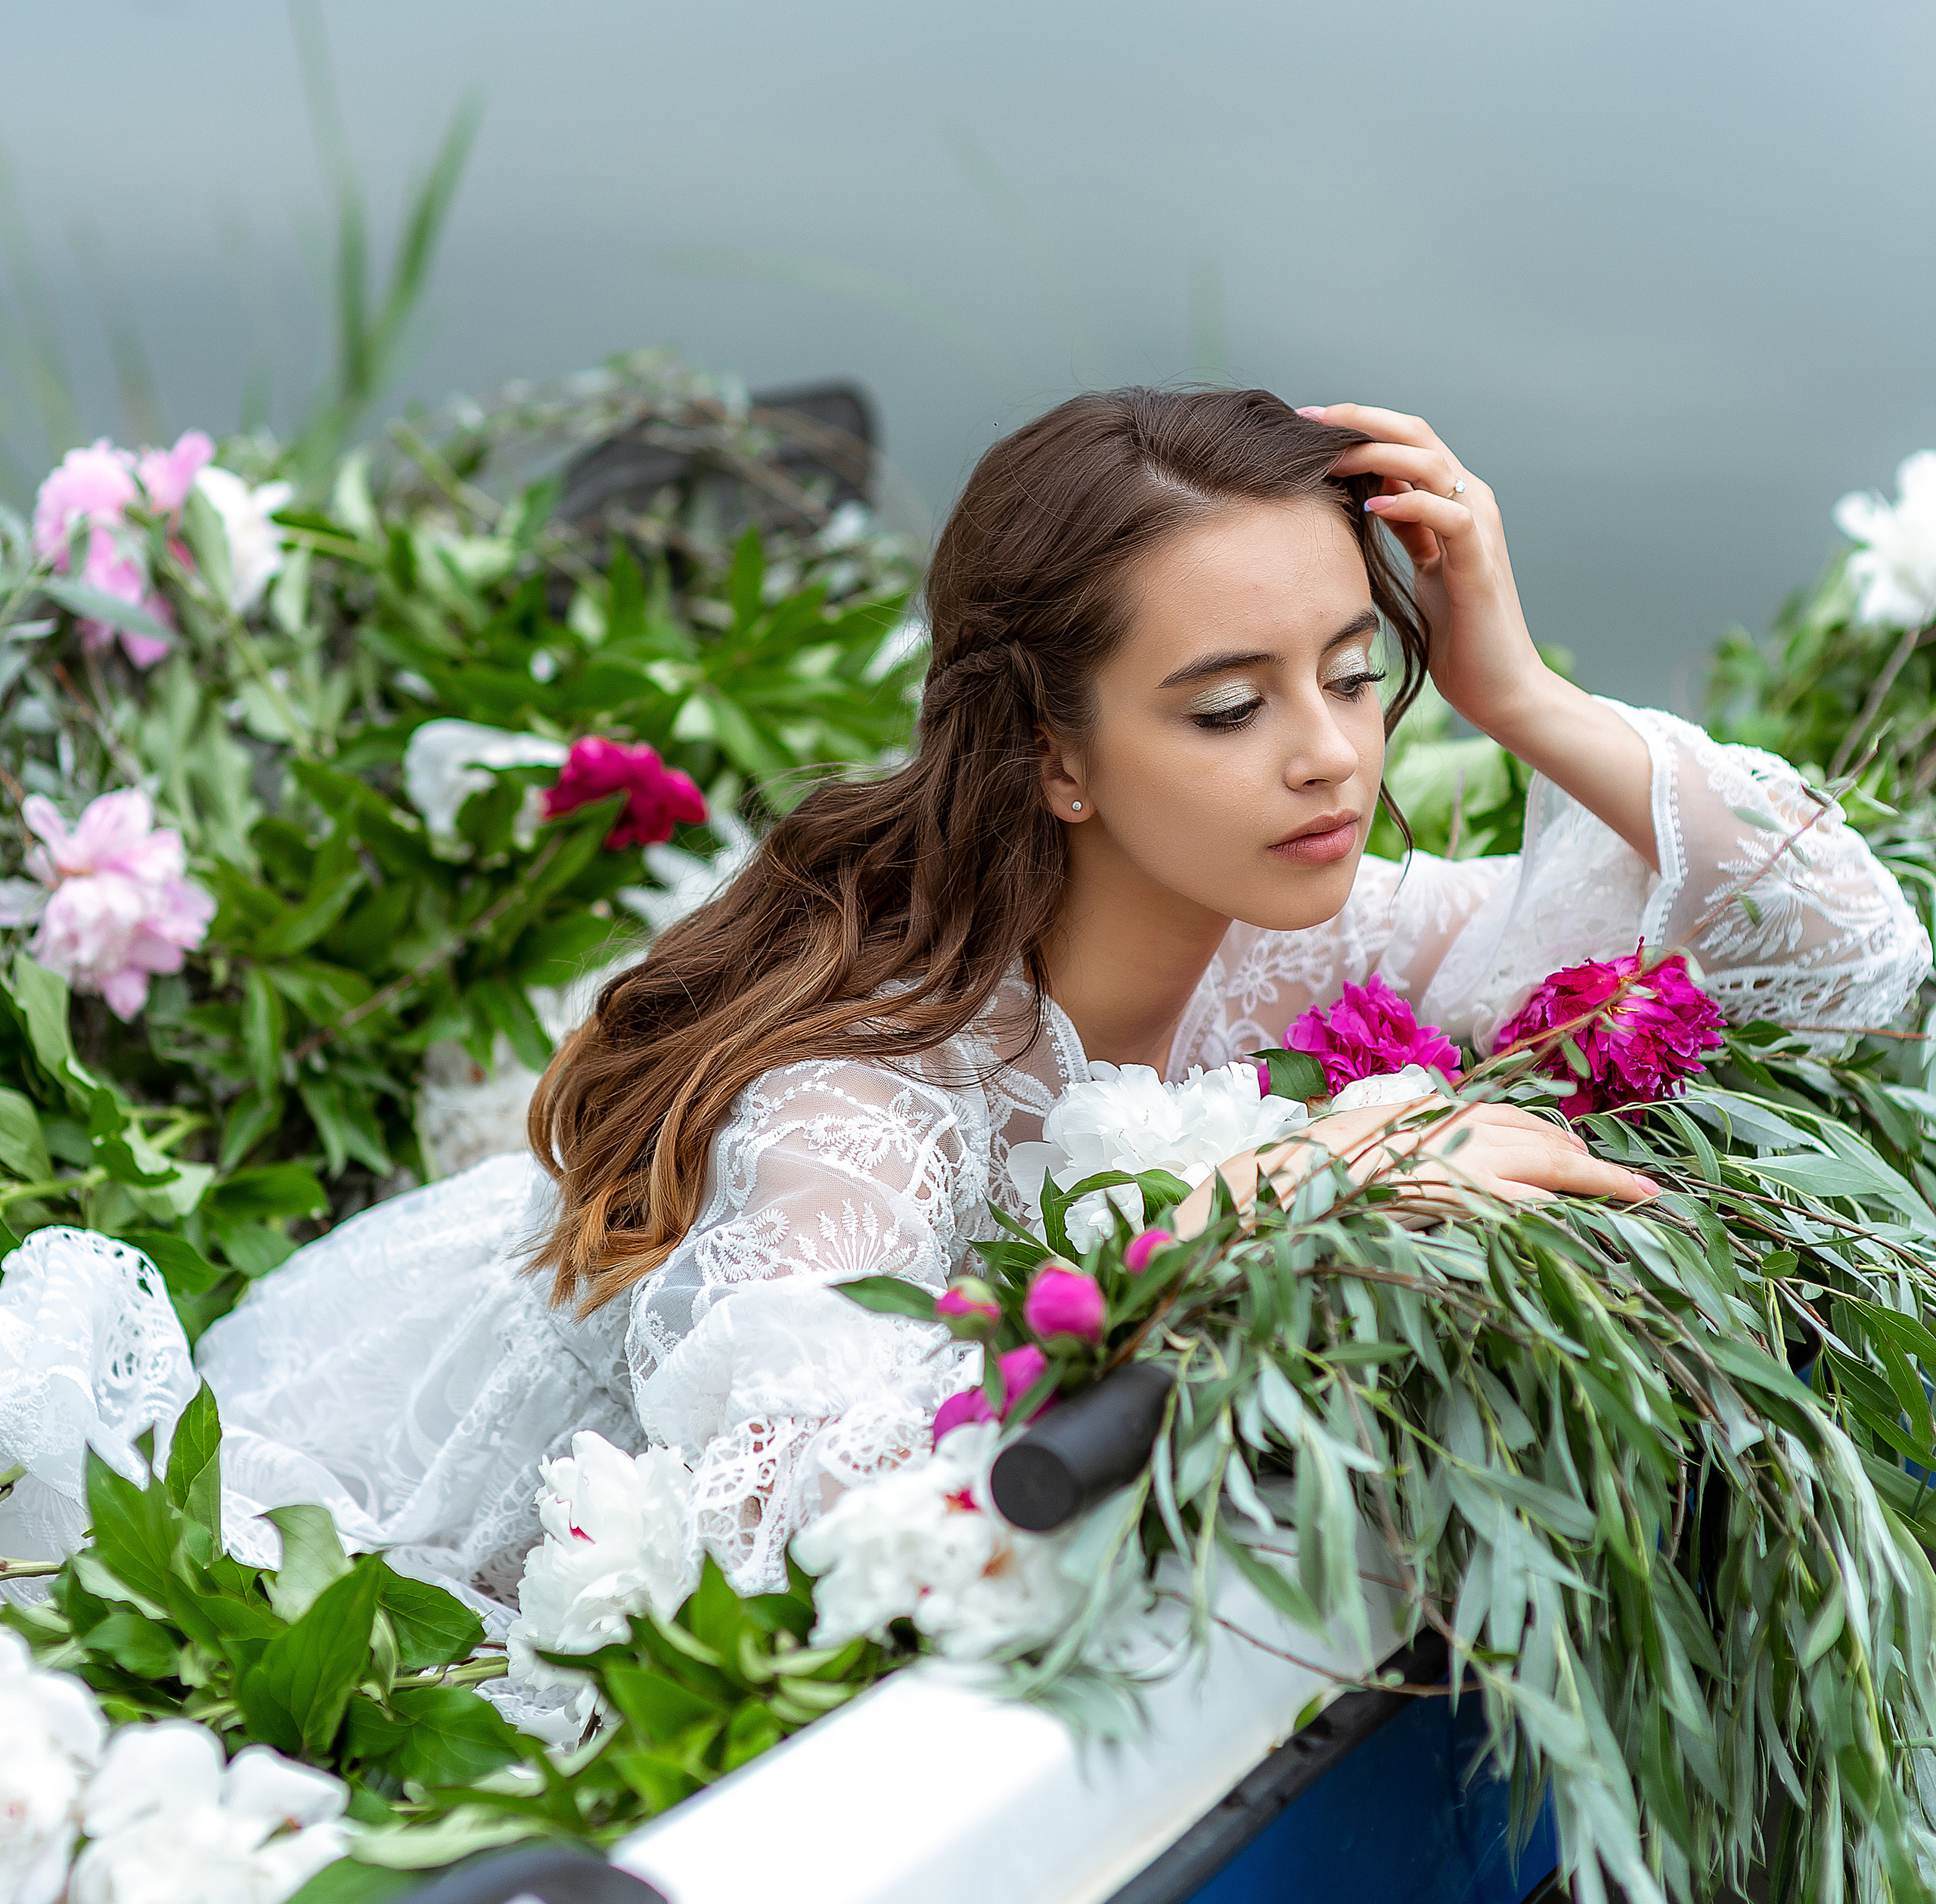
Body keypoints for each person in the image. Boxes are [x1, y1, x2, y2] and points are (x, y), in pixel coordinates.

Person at [1, 391, 1926, 1620]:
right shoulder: (866, 1089)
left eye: (1353, 675)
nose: (1330, 757)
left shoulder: (1300, 932)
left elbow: (1853, 971)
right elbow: (787, 1511)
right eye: (1227, 705)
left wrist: (1518, 694)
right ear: (1056, 759)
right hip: (451, 1511)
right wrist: (1287, 1188)